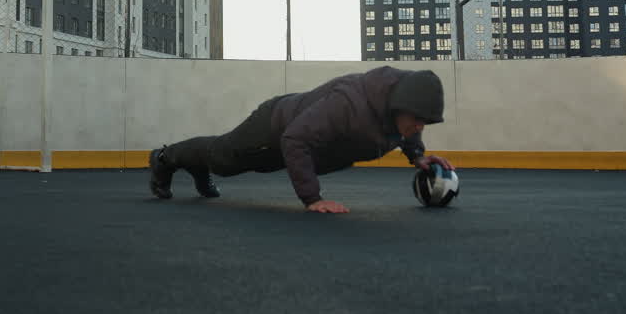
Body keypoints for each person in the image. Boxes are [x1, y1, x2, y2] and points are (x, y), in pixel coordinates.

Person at [147, 66, 455, 213]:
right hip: (273, 126)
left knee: (225, 163)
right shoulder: (348, 104)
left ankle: (198, 167)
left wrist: (417, 156)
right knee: (222, 160)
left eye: (424, 122)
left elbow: (406, 130)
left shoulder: (399, 113)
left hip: (298, 140)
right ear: (399, 106)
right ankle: (163, 159)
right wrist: (313, 199)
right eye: (417, 120)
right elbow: (294, 138)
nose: (419, 127)